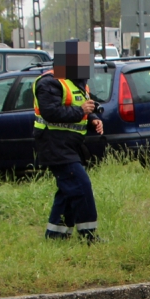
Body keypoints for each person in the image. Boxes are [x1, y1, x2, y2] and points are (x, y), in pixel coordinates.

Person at [33, 39, 104, 242]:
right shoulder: (49, 82)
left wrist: (93, 119)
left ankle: (55, 235)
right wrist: (81, 111)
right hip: (53, 144)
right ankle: (88, 236)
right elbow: (50, 112)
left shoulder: (77, 83)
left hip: (70, 144)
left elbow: (84, 105)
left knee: (68, 190)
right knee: (81, 185)